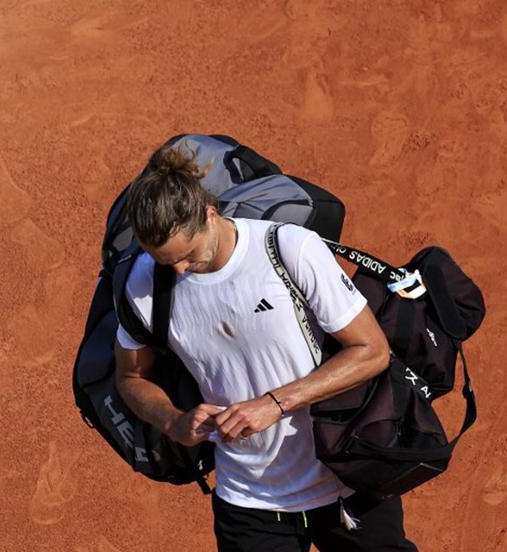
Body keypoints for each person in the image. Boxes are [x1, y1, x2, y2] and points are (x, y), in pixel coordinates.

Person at [114, 144, 417, 551]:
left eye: (187, 256)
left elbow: (370, 350)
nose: (179, 271)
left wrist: (274, 403)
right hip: (248, 502)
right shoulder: (144, 284)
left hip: (347, 482)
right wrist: (172, 420)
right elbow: (131, 376)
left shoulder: (289, 249)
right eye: (165, 262)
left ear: (210, 213)